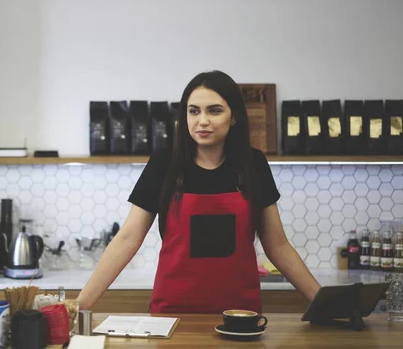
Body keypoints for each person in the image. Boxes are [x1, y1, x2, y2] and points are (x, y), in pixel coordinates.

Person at [77, 70, 321, 314]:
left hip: (239, 316)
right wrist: (78, 306)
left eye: (214, 111)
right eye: (194, 111)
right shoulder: (164, 164)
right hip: (172, 315)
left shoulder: (253, 164)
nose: (202, 120)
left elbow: (277, 245)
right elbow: (127, 238)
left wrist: (323, 301)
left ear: (234, 117)